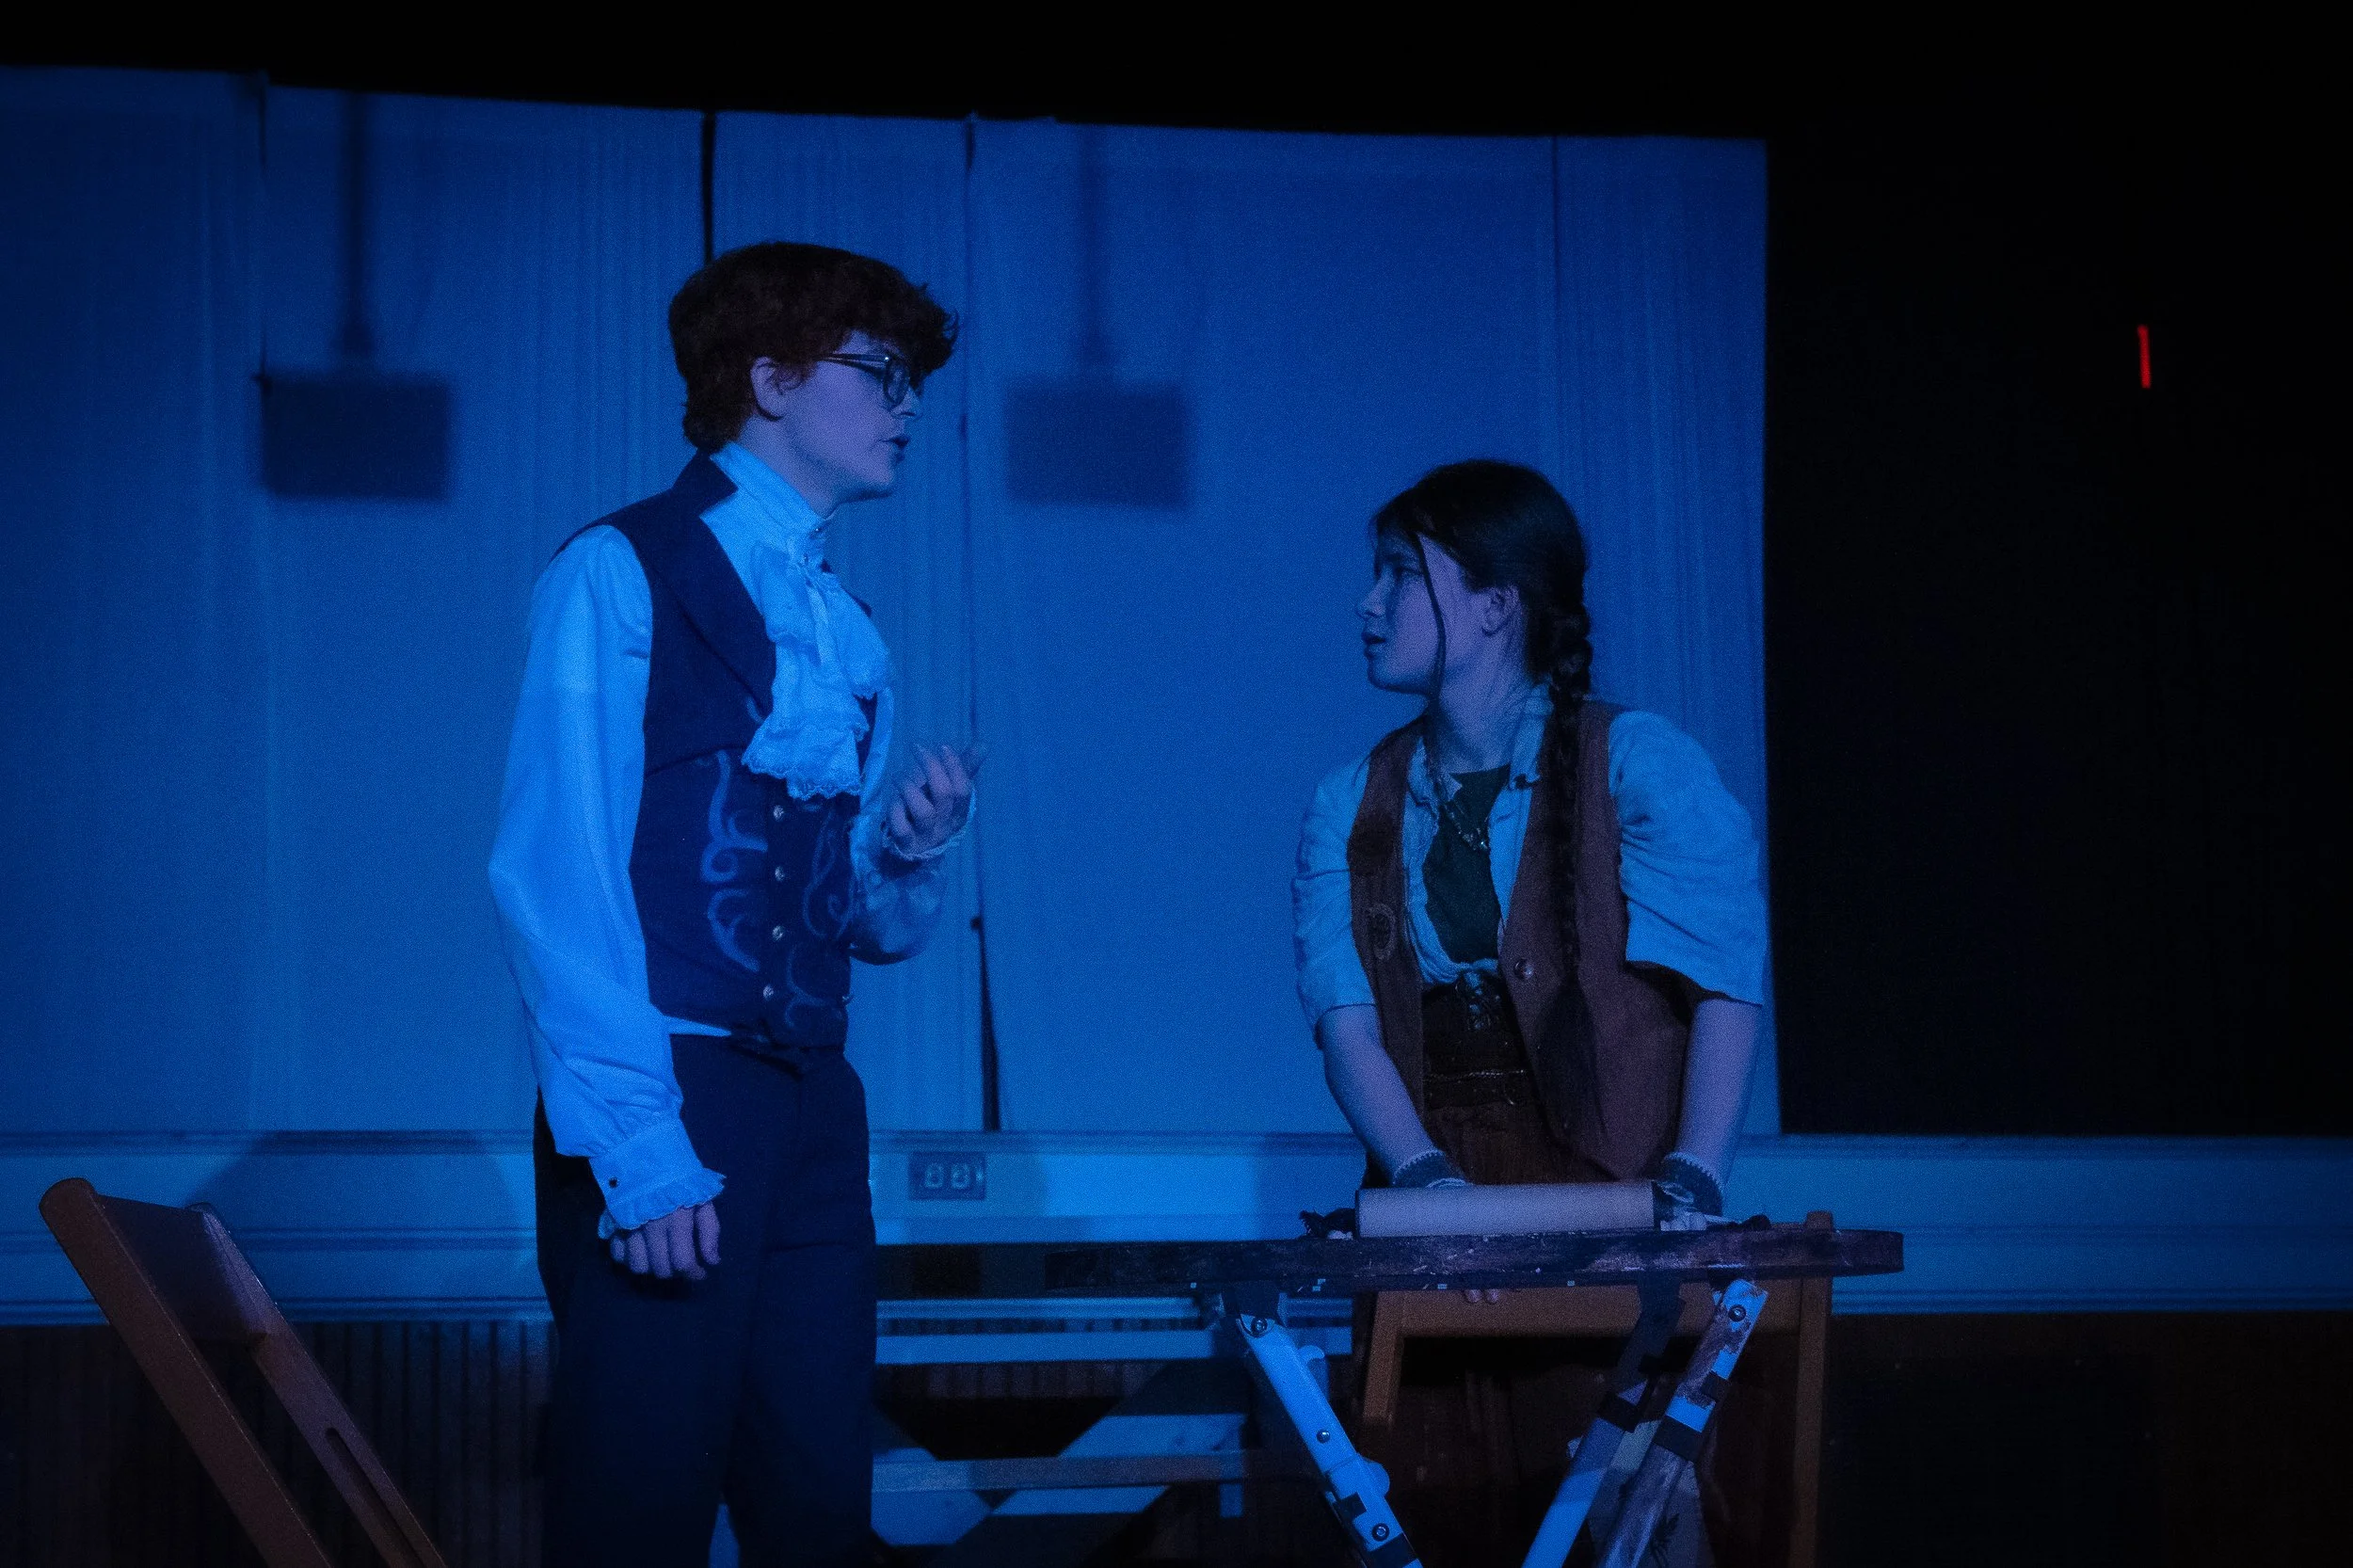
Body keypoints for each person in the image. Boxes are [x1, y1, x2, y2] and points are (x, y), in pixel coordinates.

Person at [489, 241, 974, 1567]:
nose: (909, 404)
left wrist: (908, 854)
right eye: (882, 371)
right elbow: (555, 874)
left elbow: (855, 925)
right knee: (637, 1487)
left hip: (816, 1098)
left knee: (814, 1490)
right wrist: (638, 1144)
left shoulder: (848, 628)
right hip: (672, 1085)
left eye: (912, 378)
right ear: (768, 379)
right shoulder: (620, 570)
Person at [1292, 460, 1769, 1564]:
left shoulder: (1635, 762)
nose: (1369, 605)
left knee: (1619, 1513)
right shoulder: (1348, 800)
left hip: (1608, 1193)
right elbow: (1346, 1021)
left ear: (1496, 603)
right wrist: (1422, 1187)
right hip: (1433, 1207)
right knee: (1437, 1507)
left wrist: (1689, 1182)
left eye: (1400, 576)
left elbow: (1722, 989)